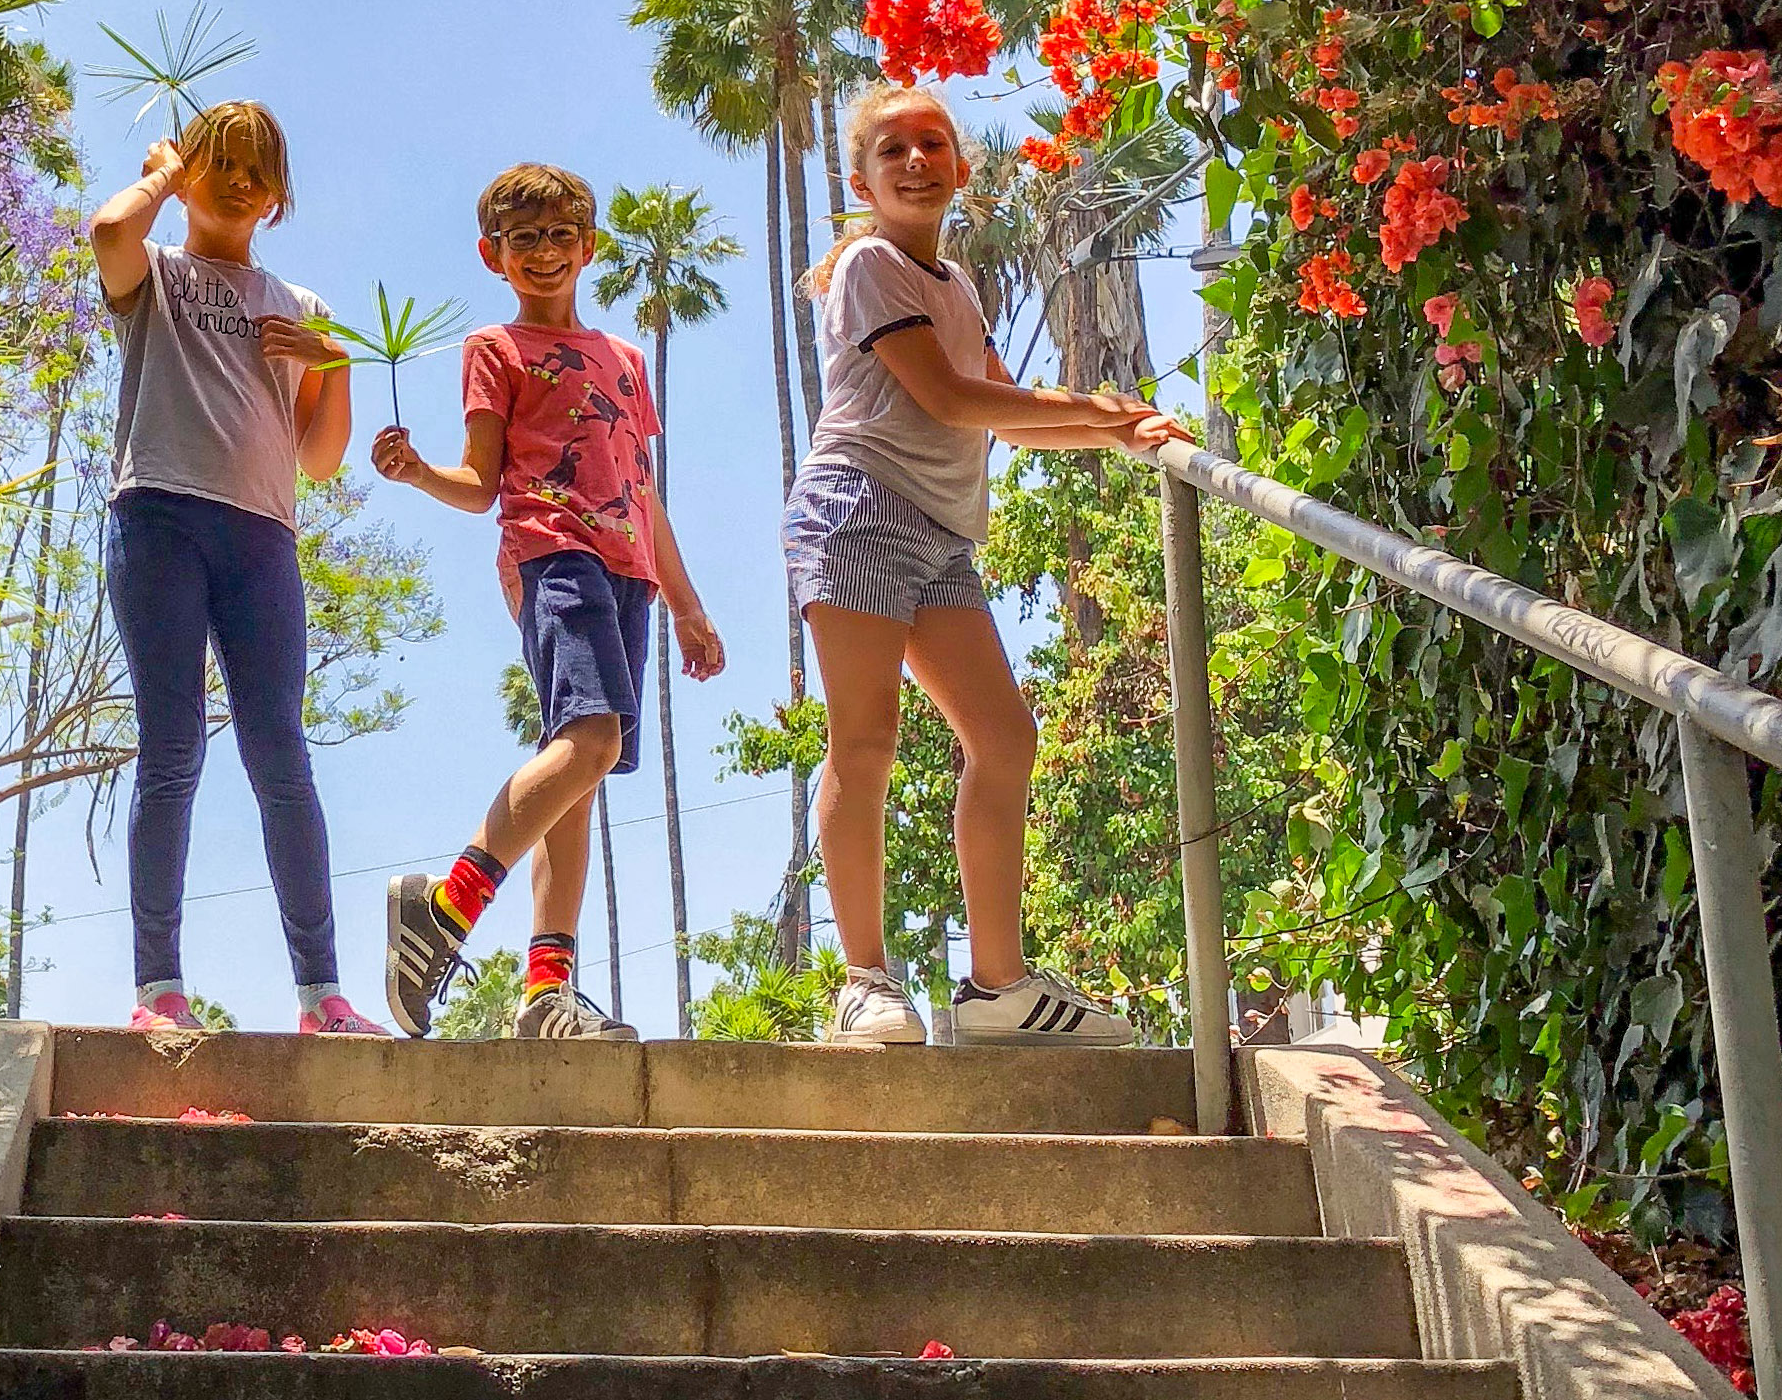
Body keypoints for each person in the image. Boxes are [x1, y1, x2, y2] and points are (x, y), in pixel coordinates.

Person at [786, 81, 1193, 1048]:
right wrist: (1099, 410)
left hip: (939, 531)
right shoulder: (873, 267)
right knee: (867, 741)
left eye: (934, 144)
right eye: (894, 150)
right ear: (862, 179)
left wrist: (1120, 430)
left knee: (1004, 738)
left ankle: (995, 991)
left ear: (961, 168)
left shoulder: (957, 287)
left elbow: (1007, 410)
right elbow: (950, 400)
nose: (918, 161)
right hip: (857, 512)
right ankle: (862, 980)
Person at [369, 163, 724, 1041]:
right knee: (594, 738)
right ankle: (446, 905)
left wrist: (686, 604)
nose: (543, 252)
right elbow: (481, 481)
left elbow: (643, 495)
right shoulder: (497, 349)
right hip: (551, 555)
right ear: (493, 255)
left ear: (588, 247)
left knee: (581, 768)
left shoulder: (627, 363)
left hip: (628, 573)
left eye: (559, 235)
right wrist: (417, 472)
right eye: (522, 239)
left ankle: (547, 991)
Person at [87, 102, 385, 1037]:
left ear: (281, 195)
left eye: (263, 169)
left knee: (280, 757)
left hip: (262, 537)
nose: (243, 181)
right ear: (188, 167)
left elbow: (322, 459)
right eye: (224, 161)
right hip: (160, 517)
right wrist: (163, 175)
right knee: (173, 750)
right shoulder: (160, 276)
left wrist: (332, 365)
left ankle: (321, 998)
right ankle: (157, 991)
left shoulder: (300, 307)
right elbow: (106, 230)